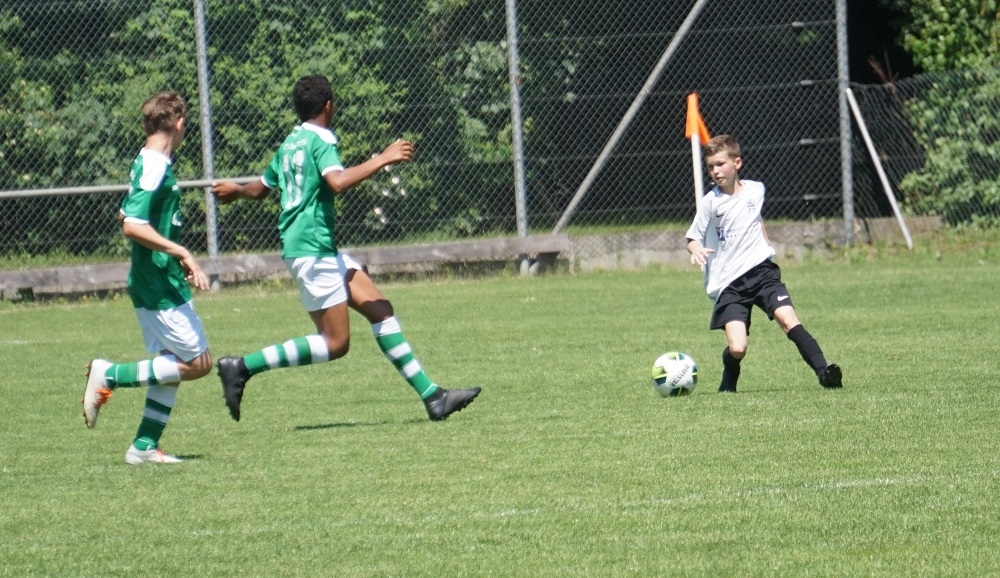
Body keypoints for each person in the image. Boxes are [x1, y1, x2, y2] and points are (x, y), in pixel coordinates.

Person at [210, 74, 480, 423]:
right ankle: (243, 366)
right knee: (335, 343)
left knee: (380, 308)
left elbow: (261, 188)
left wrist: (237, 190)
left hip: (312, 248)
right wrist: (382, 159)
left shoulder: (291, 142)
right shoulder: (321, 138)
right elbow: (336, 182)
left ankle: (434, 397)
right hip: (312, 250)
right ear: (328, 105)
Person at [81, 91, 214, 464]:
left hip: (155, 276)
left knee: (172, 362)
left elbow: (126, 215)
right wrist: (180, 251)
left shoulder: (146, 159)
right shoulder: (155, 165)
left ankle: (143, 447)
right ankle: (111, 375)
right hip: (157, 282)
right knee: (199, 363)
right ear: (180, 124)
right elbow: (133, 226)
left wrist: (169, 251)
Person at [685, 134, 842, 393]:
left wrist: (766, 248)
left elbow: (756, 219)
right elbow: (692, 237)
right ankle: (729, 378)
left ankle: (824, 372)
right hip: (729, 283)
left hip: (762, 272)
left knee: (788, 320)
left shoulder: (756, 190)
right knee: (738, 347)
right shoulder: (710, 203)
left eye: (720, 164)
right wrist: (696, 249)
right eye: (711, 166)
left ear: (737, 163)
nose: (715, 171)